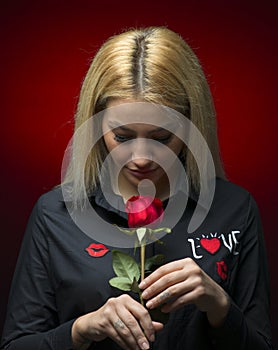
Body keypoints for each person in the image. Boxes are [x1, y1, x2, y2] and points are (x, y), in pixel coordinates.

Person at [0, 26, 274, 350]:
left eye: (161, 138)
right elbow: (17, 344)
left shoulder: (235, 210)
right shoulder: (55, 214)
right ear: (96, 122)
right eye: (123, 136)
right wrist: (82, 329)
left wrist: (220, 306)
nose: (142, 158)